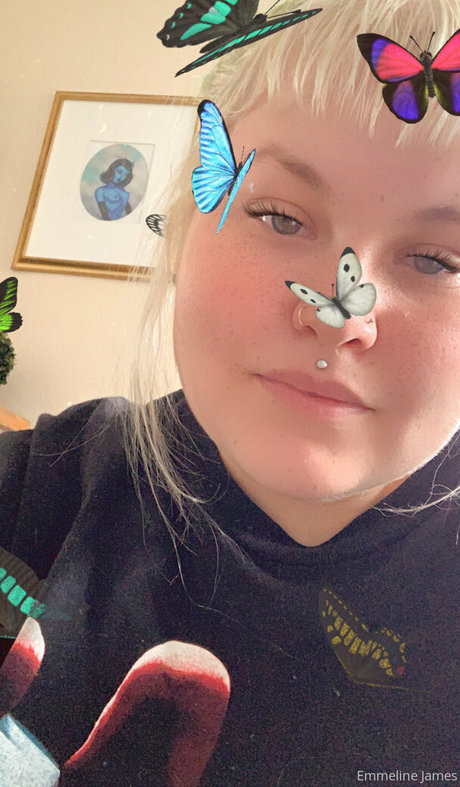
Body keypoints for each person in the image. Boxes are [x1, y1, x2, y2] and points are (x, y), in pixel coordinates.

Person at [0, 0, 459, 783]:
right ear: (183, 230)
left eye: (438, 260)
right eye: (280, 217)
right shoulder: (31, 498)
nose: (340, 318)